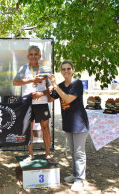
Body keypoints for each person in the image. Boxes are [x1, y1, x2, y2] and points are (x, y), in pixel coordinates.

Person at [48, 60, 89, 192]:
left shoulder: (77, 83)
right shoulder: (60, 85)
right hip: (68, 124)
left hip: (80, 124)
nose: (66, 71)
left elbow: (67, 99)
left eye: (68, 69)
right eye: (63, 69)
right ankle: (75, 173)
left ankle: (80, 179)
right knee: (73, 152)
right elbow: (50, 98)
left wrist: (55, 86)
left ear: (73, 70)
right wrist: (49, 88)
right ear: (61, 71)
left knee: (79, 153)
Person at [13, 45, 55, 164]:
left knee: (45, 129)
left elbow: (51, 88)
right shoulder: (24, 68)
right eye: (31, 54)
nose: (33, 56)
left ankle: (48, 154)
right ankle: (30, 155)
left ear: (39, 56)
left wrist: (41, 93)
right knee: (29, 129)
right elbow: (15, 82)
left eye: (35, 54)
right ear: (27, 56)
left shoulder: (45, 69)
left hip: (41, 103)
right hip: (27, 103)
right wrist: (32, 80)